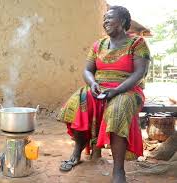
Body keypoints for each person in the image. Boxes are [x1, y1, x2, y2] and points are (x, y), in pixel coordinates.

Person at [58, 5, 150, 183]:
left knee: (118, 109)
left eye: (109, 18)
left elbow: (140, 73)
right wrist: (92, 83)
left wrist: (117, 90)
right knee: (78, 101)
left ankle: (118, 171)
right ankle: (77, 151)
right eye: (104, 19)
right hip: (99, 88)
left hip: (128, 90)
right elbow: (87, 70)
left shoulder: (137, 43)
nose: (105, 22)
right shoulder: (98, 45)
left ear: (122, 21)